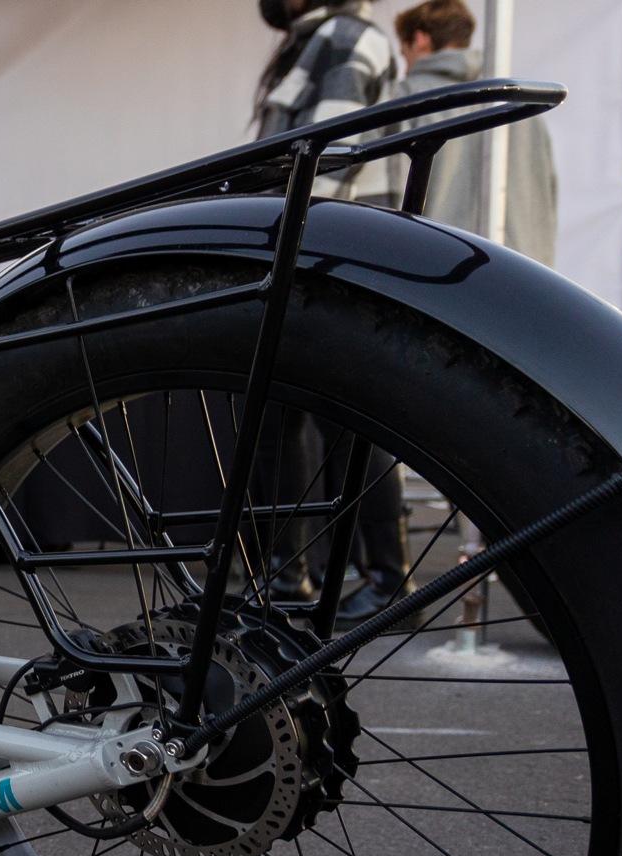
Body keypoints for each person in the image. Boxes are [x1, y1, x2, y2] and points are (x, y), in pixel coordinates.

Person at [251, 0, 409, 619]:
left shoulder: (344, 38)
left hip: (320, 256)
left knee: (308, 423)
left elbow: (318, 157)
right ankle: (305, 579)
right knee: (312, 424)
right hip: (328, 255)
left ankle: (367, 580)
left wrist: (268, 252)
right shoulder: (326, 37)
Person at [388, 0, 558, 264]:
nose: (406, 66)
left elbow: (389, 197)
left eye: (404, 53)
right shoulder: (523, 105)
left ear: (420, 39)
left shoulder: (405, 99)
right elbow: (549, 198)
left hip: (435, 276)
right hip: (523, 278)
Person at [255, 0, 396, 200]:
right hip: (326, 225)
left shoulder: (343, 38)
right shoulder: (331, 36)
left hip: (326, 227)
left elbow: (326, 172)